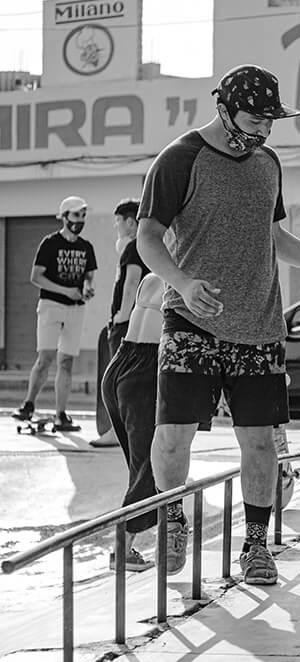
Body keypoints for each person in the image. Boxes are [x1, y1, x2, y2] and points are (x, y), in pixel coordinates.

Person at [136, 64, 300, 584]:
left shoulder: (268, 162)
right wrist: (184, 281)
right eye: (256, 118)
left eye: (272, 120)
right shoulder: (180, 159)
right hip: (191, 321)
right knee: (174, 435)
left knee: (261, 443)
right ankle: (173, 518)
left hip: (261, 327)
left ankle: (256, 546)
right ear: (224, 108)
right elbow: (148, 237)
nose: (264, 129)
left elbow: (275, 237)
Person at [103, 273, 176, 571]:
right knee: (149, 464)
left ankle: (168, 526)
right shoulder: (183, 278)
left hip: (120, 363)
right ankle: (122, 549)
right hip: (145, 372)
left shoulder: (152, 276)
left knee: (142, 466)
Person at [13, 196, 97, 431]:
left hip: (76, 309)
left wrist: (88, 289)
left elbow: (90, 276)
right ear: (64, 216)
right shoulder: (50, 243)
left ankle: (61, 414)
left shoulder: (86, 247)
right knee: (45, 358)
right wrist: (65, 290)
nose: (80, 220)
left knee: (67, 361)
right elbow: (35, 276)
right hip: (51, 305)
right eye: (76, 215)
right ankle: (28, 404)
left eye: (83, 215)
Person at [92, 198, 149, 448]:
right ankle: (127, 432)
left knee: (118, 382)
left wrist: (122, 316)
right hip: (137, 325)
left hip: (126, 324)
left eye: (118, 222)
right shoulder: (145, 246)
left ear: (130, 222)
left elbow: (132, 281)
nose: (116, 227)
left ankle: (116, 433)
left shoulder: (133, 247)